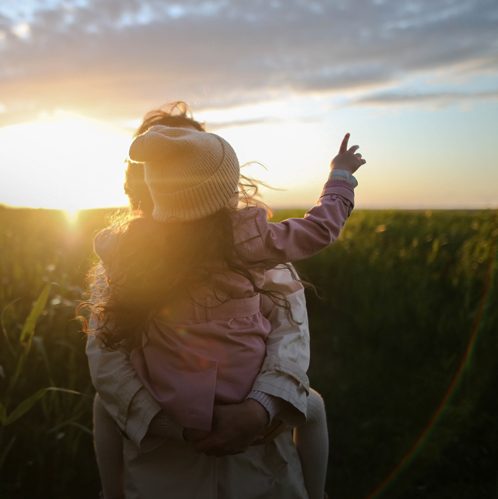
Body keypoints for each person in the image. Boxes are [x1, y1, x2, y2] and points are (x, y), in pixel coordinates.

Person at [83, 103, 363, 498]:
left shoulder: (130, 251)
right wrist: (340, 178)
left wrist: (259, 409)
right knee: (311, 405)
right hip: (164, 464)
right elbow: (107, 359)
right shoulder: (252, 243)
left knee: (102, 408)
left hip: (260, 461)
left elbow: (290, 334)